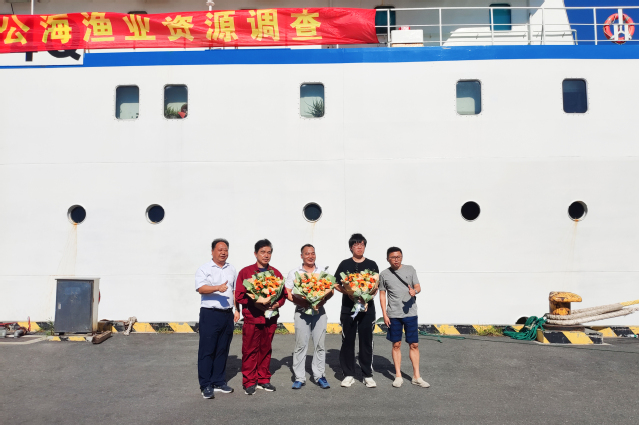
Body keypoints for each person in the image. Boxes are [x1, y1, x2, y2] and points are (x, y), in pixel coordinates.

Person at [235, 239, 286, 395]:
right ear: (255, 253)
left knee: (266, 348)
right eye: (262, 252)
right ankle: (249, 381)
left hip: (270, 318)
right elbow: (239, 295)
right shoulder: (246, 272)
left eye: (269, 252)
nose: (266, 255)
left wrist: (276, 304)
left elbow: (282, 295)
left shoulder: (276, 273)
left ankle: (263, 379)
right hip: (252, 317)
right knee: (249, 350)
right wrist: (255, 303)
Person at [195, 238, 240, 399]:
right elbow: (200, 288)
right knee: (207, 350)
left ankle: (218, 381)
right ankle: (205, 384)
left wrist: (237, 309)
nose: (223, 252)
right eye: (220, 249)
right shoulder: (204, 269)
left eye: (225, 249)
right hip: (210, 314)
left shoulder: (231, 269)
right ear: (212, 251)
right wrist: (217, 288)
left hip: (227, 314)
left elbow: (234, 291)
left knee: (223, 348)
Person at [379, 247, 429, 388]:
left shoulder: (410, 269)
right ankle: (398, 376)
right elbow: (382, 294)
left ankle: (417, 376)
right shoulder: (384, 274)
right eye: (393, 257)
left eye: (399, 257)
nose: (396, 259)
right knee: (396, 344)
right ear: (388, 259)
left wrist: (415, 291)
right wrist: (384, 314)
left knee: (414, 344)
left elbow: (418, 286)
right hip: (393, 315)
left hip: (410, 313)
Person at [333, 233, 379, 388]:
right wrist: (348, 292)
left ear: (365, 246)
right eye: (356, 244)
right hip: (348, 308)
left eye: (362, 244)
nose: (359, 247)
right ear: (351, 247)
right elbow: (336, 283)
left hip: (367, 309)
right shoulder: (344, 264)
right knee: (348, 340)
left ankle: (367, 374)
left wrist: (367, 295)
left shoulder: (372, 264)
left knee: (366, 341)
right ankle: (348, 374)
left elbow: (376, 286)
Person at [285, 244, 333, 390]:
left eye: (312, 253)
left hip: (319, 311)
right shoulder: (294, 272)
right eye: (307, 254)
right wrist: (302, 302)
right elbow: (287, 292)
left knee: (320, 345)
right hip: (301, 311)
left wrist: (322, 301)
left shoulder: (322, 271)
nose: (310, 256)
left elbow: (330, 290)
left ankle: (319, 375)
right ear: (301, 256)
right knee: (301, 345)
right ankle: (299, 377)